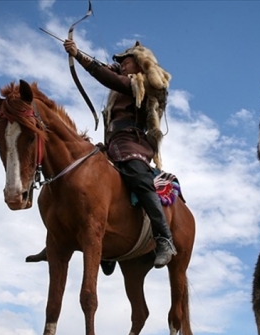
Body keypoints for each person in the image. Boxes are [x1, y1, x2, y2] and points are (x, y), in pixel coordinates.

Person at [63, 38, 176, 268]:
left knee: (138, 176)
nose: (122, 64)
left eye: (126, 61)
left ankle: (164, 239)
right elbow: (110, 74)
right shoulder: (123, 81)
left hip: (132, 143)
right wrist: (100, 63)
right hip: (111, 142)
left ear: (140, 63)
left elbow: (110, 79)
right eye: (120, 62)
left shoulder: (141, 84)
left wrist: (80, 57)